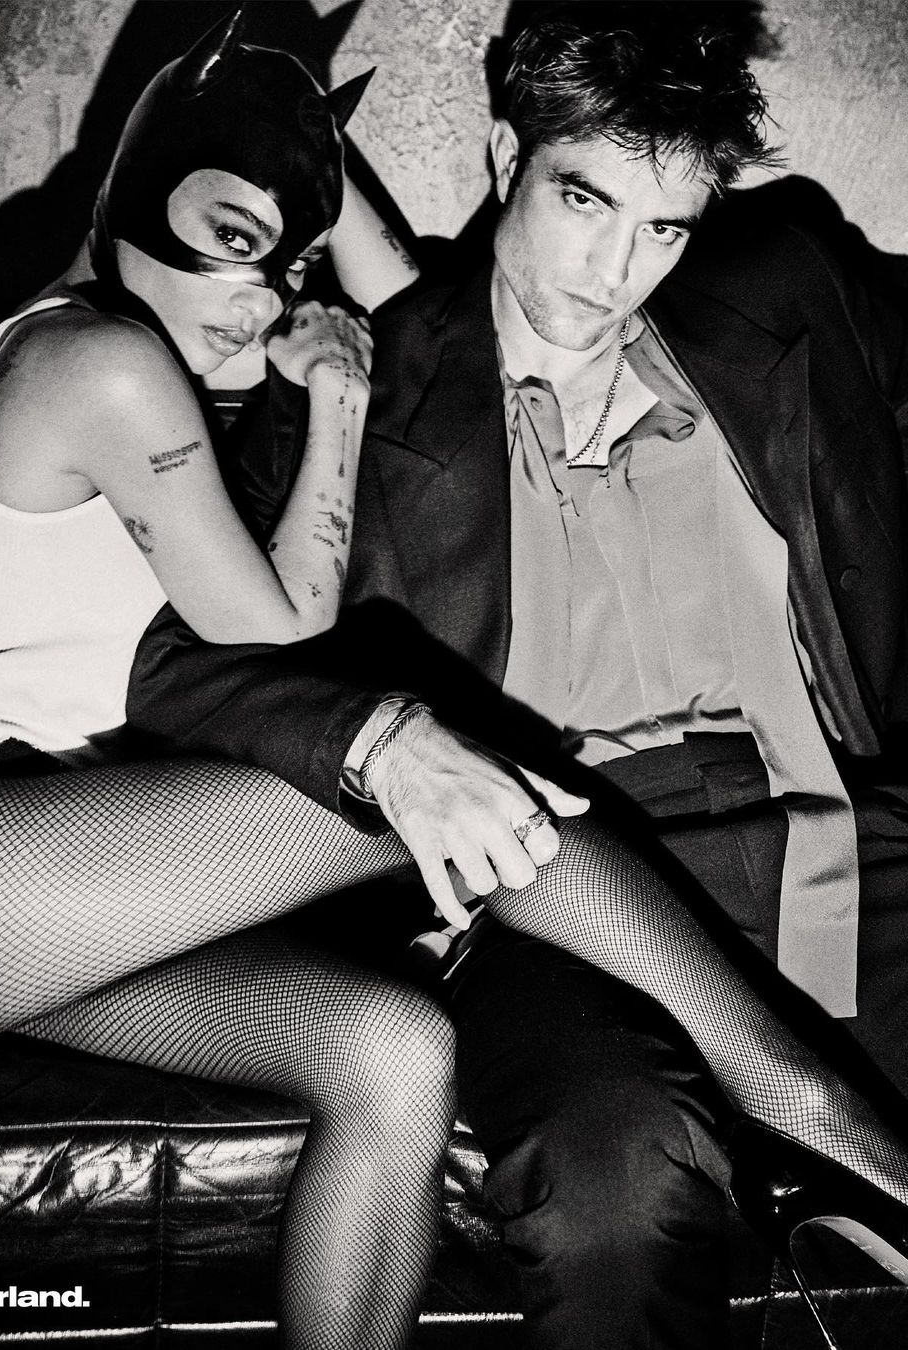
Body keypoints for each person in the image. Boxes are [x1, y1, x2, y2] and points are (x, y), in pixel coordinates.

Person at [127, 5, 908, 1348]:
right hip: (552, 892)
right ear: (506, 158)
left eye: (664, 229)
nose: (616, 270)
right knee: (613, 1190)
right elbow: (181, 664)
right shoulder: (363, 377)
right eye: (584, 202)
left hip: (842, 844)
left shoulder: (786, 284)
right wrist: (384, 742)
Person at [0, 16, 456, 1350]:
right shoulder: (103, 362)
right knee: (443, 786)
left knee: (391, 1049)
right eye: (236, 239)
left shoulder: (99, 341)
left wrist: (291, 187)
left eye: (290, 266)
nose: (269, 297)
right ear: (140, 191)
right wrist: (337, 398)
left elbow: (410, 312)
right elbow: (283, 624)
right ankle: (815, 1119)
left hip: (33, 892)